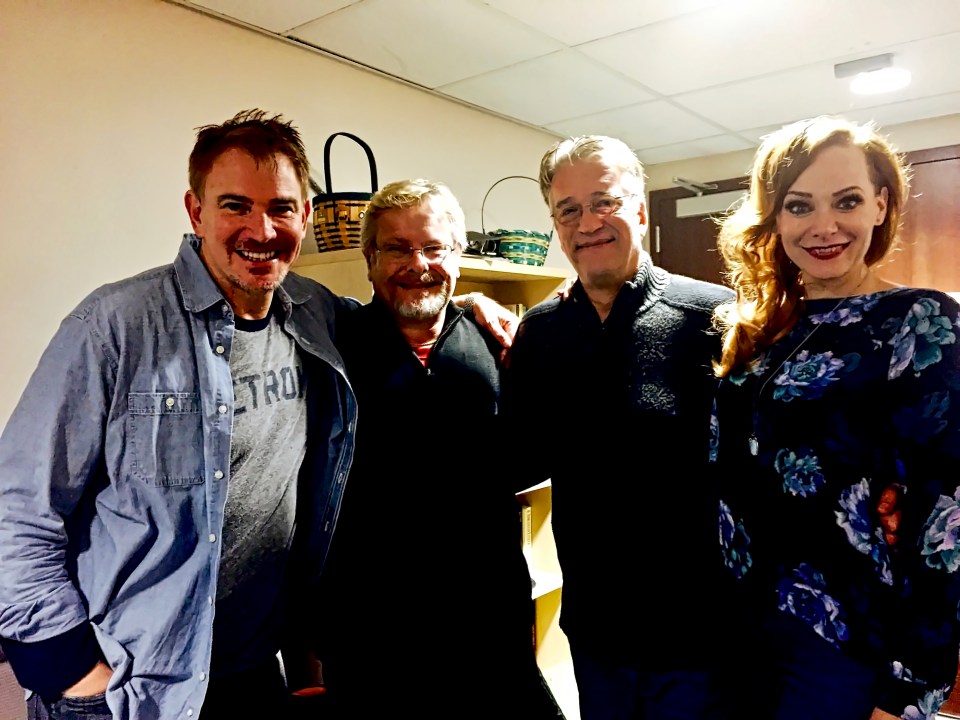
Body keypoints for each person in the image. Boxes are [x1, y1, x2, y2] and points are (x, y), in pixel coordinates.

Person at [0, 109, 360, 719]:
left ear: (304, 216)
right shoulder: (115, 325)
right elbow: (18, 511)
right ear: (196, 213)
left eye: (281, 208)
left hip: (252, 674)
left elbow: (401, 319)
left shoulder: (314, 313)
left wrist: (478, 305)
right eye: (235, 205)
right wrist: (70, 669)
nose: (261, 229)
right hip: (132, 687)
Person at [710, 115, 960, 719]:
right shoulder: (760, 327)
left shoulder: (919, 322)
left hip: (840, 639)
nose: (823, 227)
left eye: (846, 201)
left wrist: (911, 689)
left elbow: (946, 512)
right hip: (734, 622)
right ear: (774, 218)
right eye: (798, 206)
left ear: (880, 205)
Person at [499, 135, 738, 720]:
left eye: (604, 201)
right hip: (597, 630)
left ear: (640, 207)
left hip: (699, 638)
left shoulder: (717, 316)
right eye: (569, 209)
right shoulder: (541, 333)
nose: (588, 223)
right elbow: (518, 461)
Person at [314, 178, 564, 719]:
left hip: (487, 615)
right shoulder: (334, 343)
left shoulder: (494, 340)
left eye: (433, 247)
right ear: (369, 258)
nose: (417, 263)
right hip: (371, 629)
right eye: (397, 248)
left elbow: (528, 459)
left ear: (456, 253)